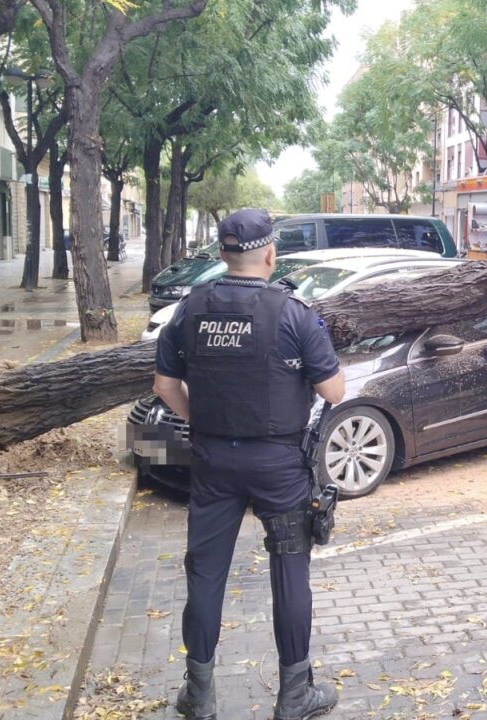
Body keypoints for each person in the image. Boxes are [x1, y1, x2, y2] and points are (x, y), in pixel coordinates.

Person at [152, 209, 345, 720]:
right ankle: (294, 695)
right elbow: (334, 390)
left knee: (206, 573)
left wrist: (206, 419)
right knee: (289, 570)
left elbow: (164, 387)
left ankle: (199, 695)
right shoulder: (294, 314)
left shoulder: (190, 310)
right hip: (278, 466)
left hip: (213, 461)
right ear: (270, 253)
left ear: (222, 256)